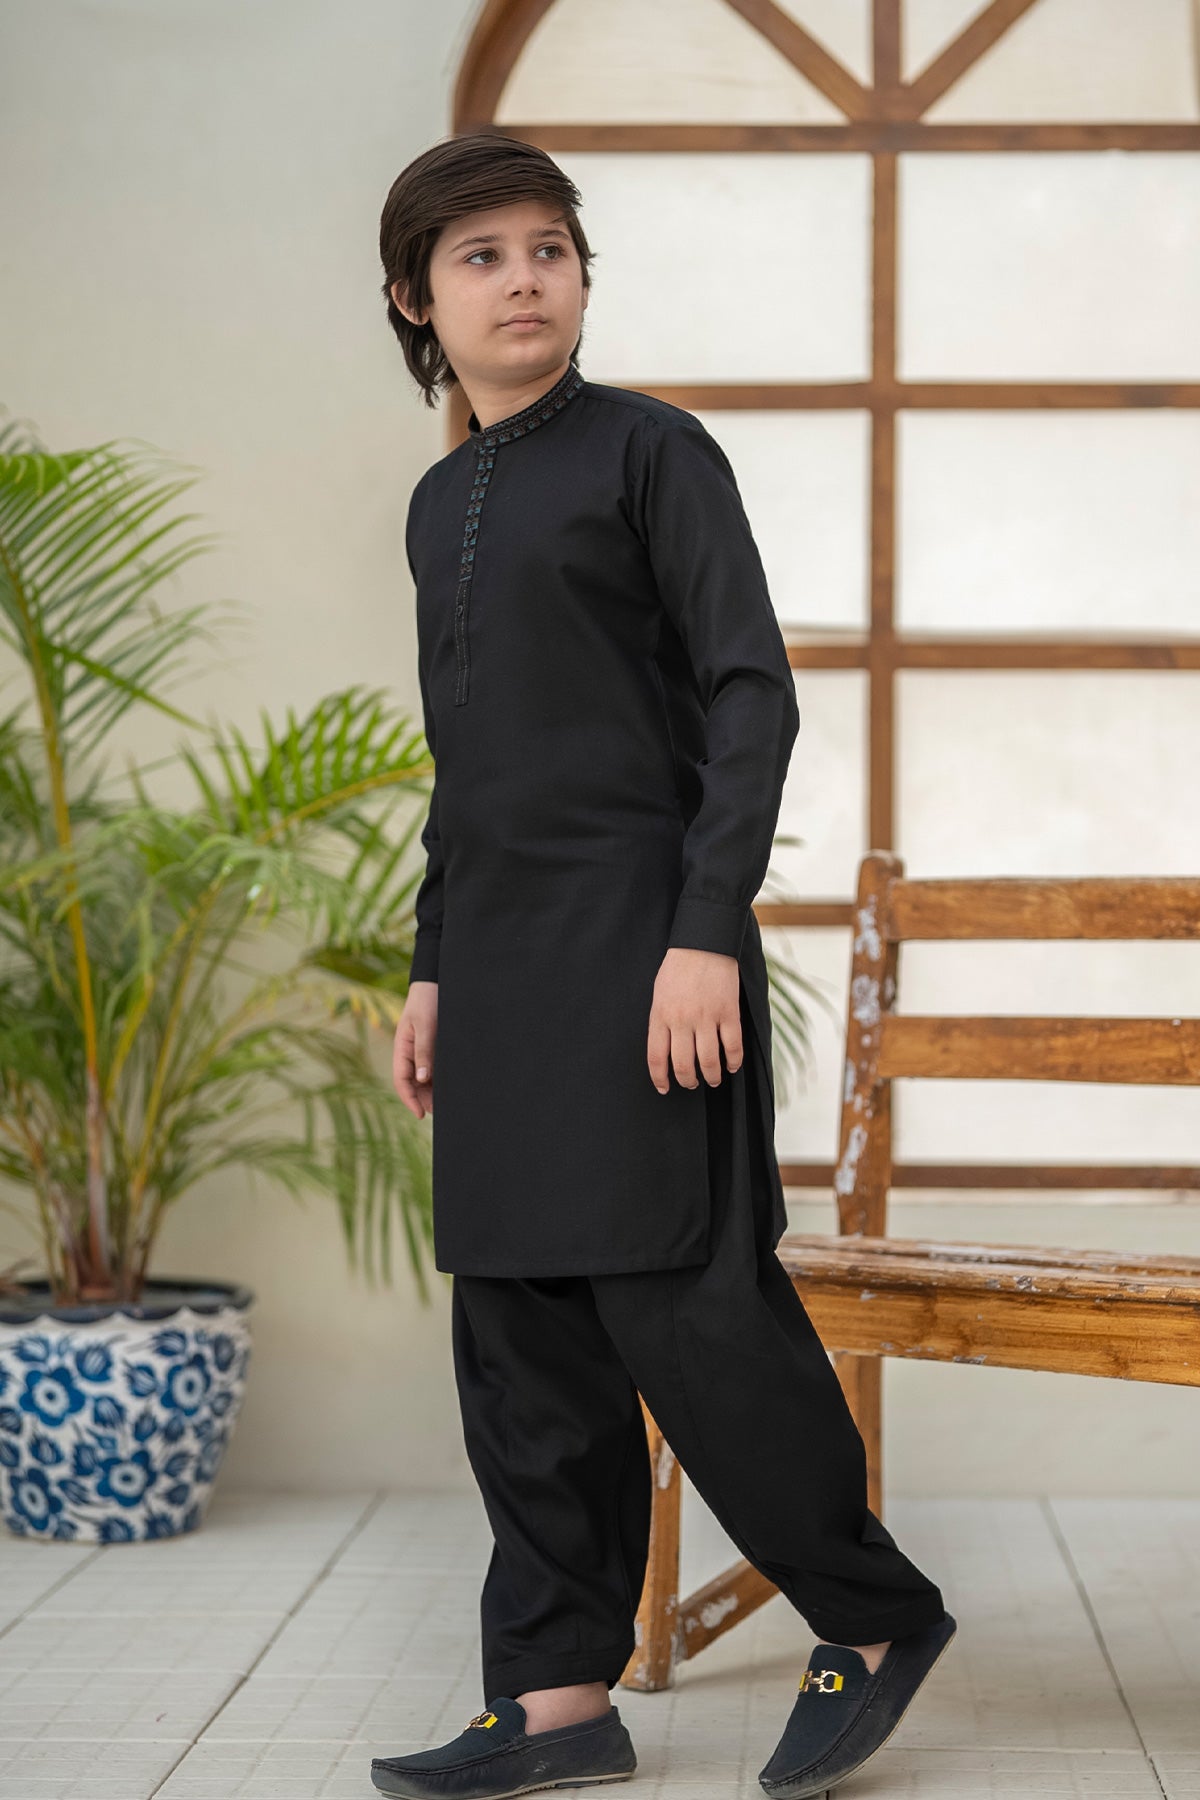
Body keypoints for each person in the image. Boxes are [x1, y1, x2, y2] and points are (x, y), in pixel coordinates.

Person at [372, 131, 955, 1800]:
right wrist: (431, 967)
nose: (526, 280)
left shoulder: (652, 452)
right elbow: (468, 767)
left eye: (550, 249)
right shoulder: (437, 503)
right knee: (520, 1330)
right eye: (483, 256)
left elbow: (748, 694)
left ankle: (874, 1617)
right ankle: (558, 1698)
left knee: (686, 1311)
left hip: (648, 953)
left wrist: (705, 929)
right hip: (500, 975)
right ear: (416, 300)